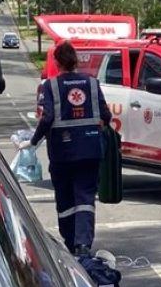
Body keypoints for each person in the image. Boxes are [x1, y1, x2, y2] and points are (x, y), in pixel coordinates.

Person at [18, 40, 112, 256]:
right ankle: (83, 245)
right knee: (85, 198)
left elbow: (47, 117)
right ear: (75, 61)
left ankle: (71, 243)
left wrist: (33, 142)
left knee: (65, 199)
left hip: (63, 153)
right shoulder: (92, 83)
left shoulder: (50, 86)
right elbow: (106, 116)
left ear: (56, 62)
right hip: (90, 151)